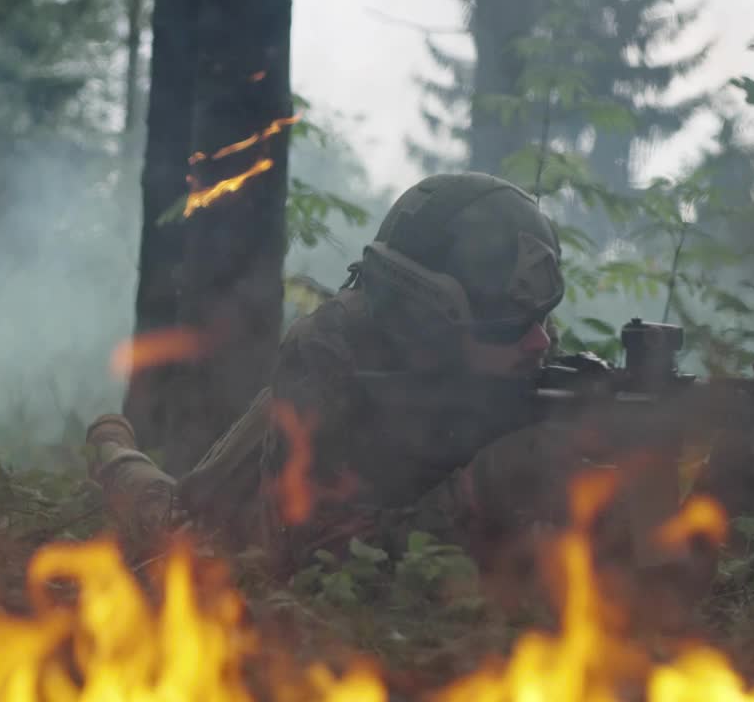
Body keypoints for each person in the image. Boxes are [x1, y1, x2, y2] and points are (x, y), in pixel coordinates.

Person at [86, 172, 654, 580]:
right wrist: (484, 488)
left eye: (543, 322)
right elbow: (309, 560)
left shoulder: (516, 369)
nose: (539, 343)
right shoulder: (330, 353)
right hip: (272, 490)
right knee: (181, 523)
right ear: (431, 323)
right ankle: (111, 446)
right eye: (510, 329)